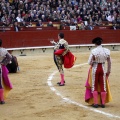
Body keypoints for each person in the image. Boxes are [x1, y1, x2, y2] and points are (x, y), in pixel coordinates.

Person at [85, 37, 112, 108]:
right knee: (103, 86)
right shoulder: (107, 51)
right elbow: (109, 62)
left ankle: (96, 103)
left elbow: (89, 62)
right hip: (103, 68)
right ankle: (103, 103)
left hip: (95, 68)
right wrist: (108, 71)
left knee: (95, 85)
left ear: (95, 43)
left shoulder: (94, 51)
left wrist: (93, 61)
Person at [0, 39, 13, 104]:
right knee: (0, 84)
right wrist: (3, 63)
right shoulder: (3, 51)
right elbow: (10, 57)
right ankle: (1, 100)